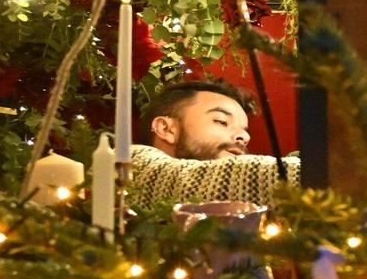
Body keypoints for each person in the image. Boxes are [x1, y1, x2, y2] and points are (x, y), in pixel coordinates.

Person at [127, 79, 299, 213]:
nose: (245, 137)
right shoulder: (130, 165)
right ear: (166, 129)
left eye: (245, 130)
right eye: (222, 121)